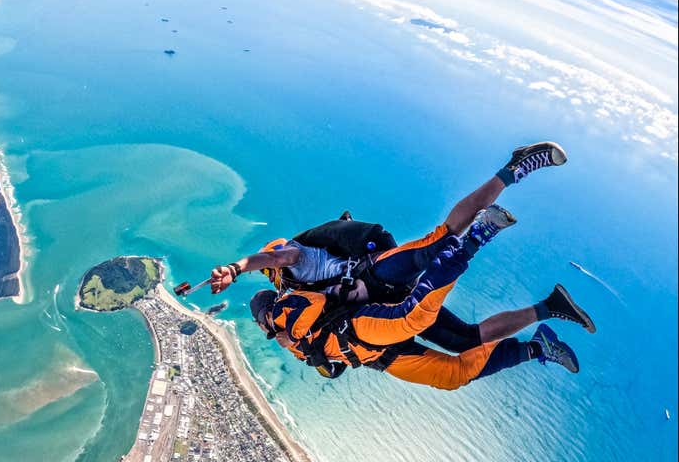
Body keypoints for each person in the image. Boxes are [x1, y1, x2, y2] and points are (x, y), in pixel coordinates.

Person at [209, 141, 567, 301]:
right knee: (438, 301)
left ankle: (514, 169)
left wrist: (236, 268)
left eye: (273, 275)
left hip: (375, 271)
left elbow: (272, 259)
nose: (276, 279)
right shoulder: (299, 287)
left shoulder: (295, 255)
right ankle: (483, 232)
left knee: (441, 238)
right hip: (381, 288)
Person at [248, 236, 595, 389]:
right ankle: (540, 338)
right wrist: (300, 348)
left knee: (428, 323)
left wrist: (287, 328)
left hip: (367, 325)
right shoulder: (288, 329)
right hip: (377, 354)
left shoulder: (287, 305)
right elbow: (329, 369)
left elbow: (316, 304)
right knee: (456, 370)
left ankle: (473, 240)